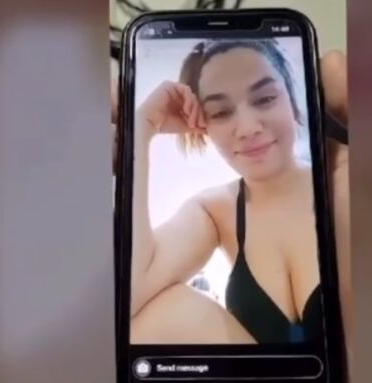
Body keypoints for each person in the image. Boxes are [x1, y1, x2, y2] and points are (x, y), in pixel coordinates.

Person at [121, 39, 350, 345]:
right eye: (220, 112)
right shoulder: (214, 210)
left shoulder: (345, 176)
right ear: (201, 125)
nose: (247, 128)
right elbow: (130, 295)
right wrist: (141, 128)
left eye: (265, 98)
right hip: (267, 377)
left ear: (293, 98)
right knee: (162, 311)